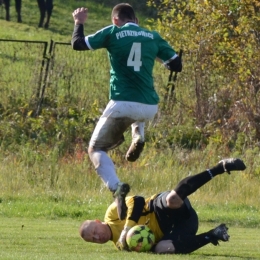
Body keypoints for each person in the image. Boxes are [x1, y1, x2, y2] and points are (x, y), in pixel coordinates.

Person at [71, 3, 182, 221]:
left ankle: (116, 187)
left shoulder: (113, 32)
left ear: (116, 20)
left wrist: (79, 22)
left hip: (122, 102)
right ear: (137, 20)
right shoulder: (152, 36)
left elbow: (78, 44)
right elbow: (176, 65)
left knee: (95, 149)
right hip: (150, 106)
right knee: (136, 114)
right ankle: (138, 135)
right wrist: (158, 59)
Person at [78, 158, 246, 254]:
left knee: (172, 199)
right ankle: (212, 235)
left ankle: (220, 168)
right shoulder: (122, 246)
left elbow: (137, 201)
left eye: (94, 232)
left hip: (161, 209)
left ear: (98, 221)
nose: (97, 237)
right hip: (182, 228)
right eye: (93, 240)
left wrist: (126, 229)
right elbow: (148, 247)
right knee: (162, 248)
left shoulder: (112, 213)